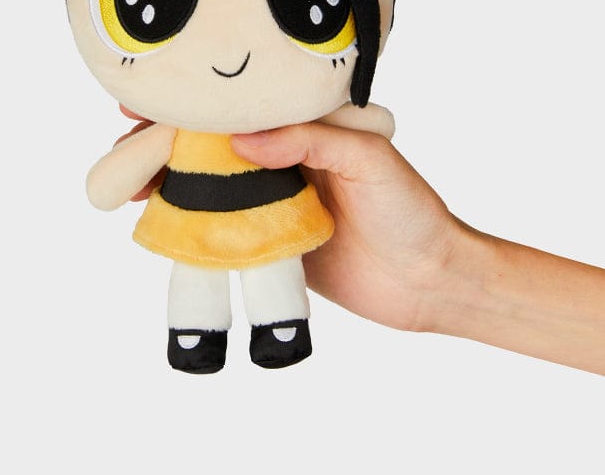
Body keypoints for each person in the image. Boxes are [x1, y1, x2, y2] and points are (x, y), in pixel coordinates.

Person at [122, 108, 605, 376]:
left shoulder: (272, 111)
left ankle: (276, 330)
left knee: (266, 269)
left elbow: (102, 189)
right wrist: (442, 278)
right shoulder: (176, 119)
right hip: (210, 220)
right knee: (199, 271)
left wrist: (440, 276)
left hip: (268, 215)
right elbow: (106, 183)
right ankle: (196, 334)